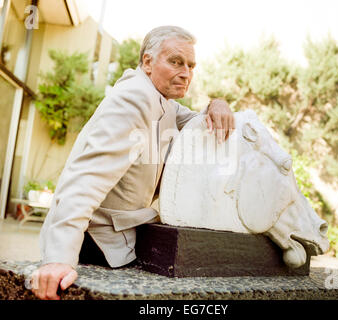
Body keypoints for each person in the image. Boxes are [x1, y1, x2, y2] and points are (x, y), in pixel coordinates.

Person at [32, 26, 235, 300]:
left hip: (122, 241)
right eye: (175, 62)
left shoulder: (163, 101)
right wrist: (58, 258)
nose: (186, 73)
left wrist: (217, 104)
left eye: (190, 65)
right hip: (96, 245)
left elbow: (195, 123)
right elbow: (86, 178)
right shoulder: (134, 99)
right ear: (148, 62)